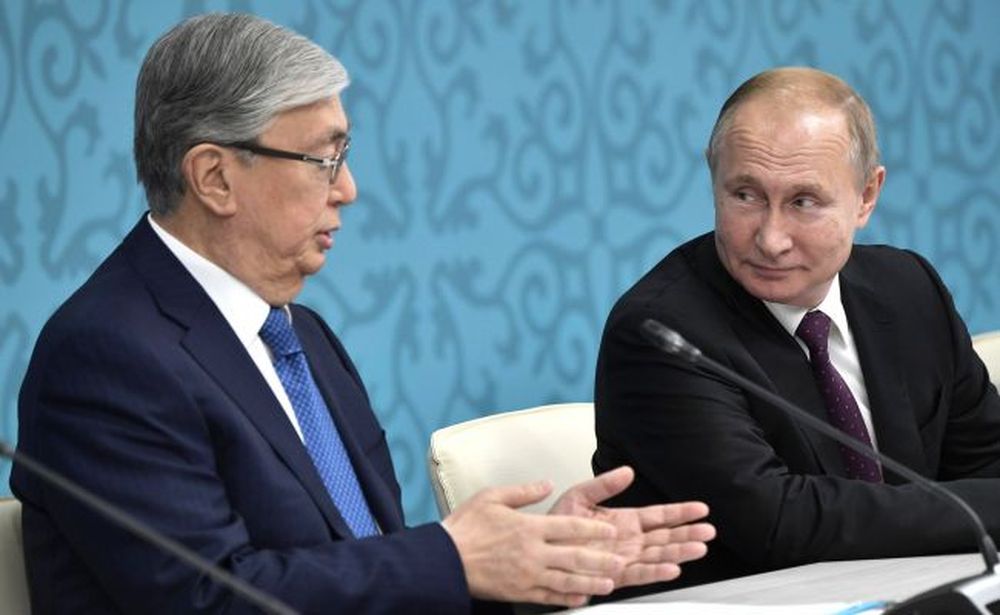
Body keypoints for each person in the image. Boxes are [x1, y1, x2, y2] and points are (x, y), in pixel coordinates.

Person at [10, 13, 716, 615]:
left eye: (344, 154)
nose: (347, 188)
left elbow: (365, 566)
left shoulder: (301, 337)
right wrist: (455, 559)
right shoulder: (107, 354)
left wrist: (531, 565)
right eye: (322, 159)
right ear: (215, 177)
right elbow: (209, 596)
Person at [593, 66, 1000, 594]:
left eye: (803, 202)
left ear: (867, 196)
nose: (771, 239)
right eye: (745, 195)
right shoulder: (661, 333)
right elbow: (782, 524)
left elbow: (986, 459)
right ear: (714, 177)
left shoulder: (909, 290)